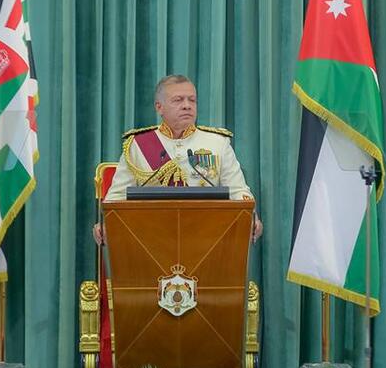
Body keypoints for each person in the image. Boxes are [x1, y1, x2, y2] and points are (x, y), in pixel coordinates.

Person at [93, 74, 263, 243]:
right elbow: (117, 198)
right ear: (159, 107)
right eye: (178, 100)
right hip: (150, 239)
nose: (187, 106)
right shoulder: (137, 145)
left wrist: (251, 218)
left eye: (192, 100)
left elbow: (238, 191)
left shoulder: (218, 143)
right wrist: (106, 225)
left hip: (207, 238)